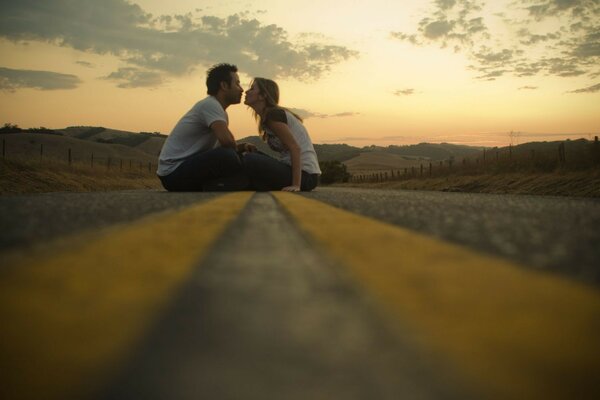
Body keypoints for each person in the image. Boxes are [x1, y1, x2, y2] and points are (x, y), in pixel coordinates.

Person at [156, 63, 256, 191]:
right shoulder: (210, 105)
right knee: (228, 156)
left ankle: (221, 184)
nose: (241, 89)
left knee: (231, 155)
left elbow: (222, 147)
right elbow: (227, 142)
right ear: (224, 86)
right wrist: (238, 151)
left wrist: (243, 147)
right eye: (237, 83)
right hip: (173, 173)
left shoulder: (218, 110)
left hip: (180, 171)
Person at [242, 78, 321, 192]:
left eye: (252, 88)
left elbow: (295, 148)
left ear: (262, 96)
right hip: (290, 169)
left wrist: (296, 185)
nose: (247, 91)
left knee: (250, 159)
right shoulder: (267, 117)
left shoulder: (273, 115)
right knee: (249, 154)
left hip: (306, 176)